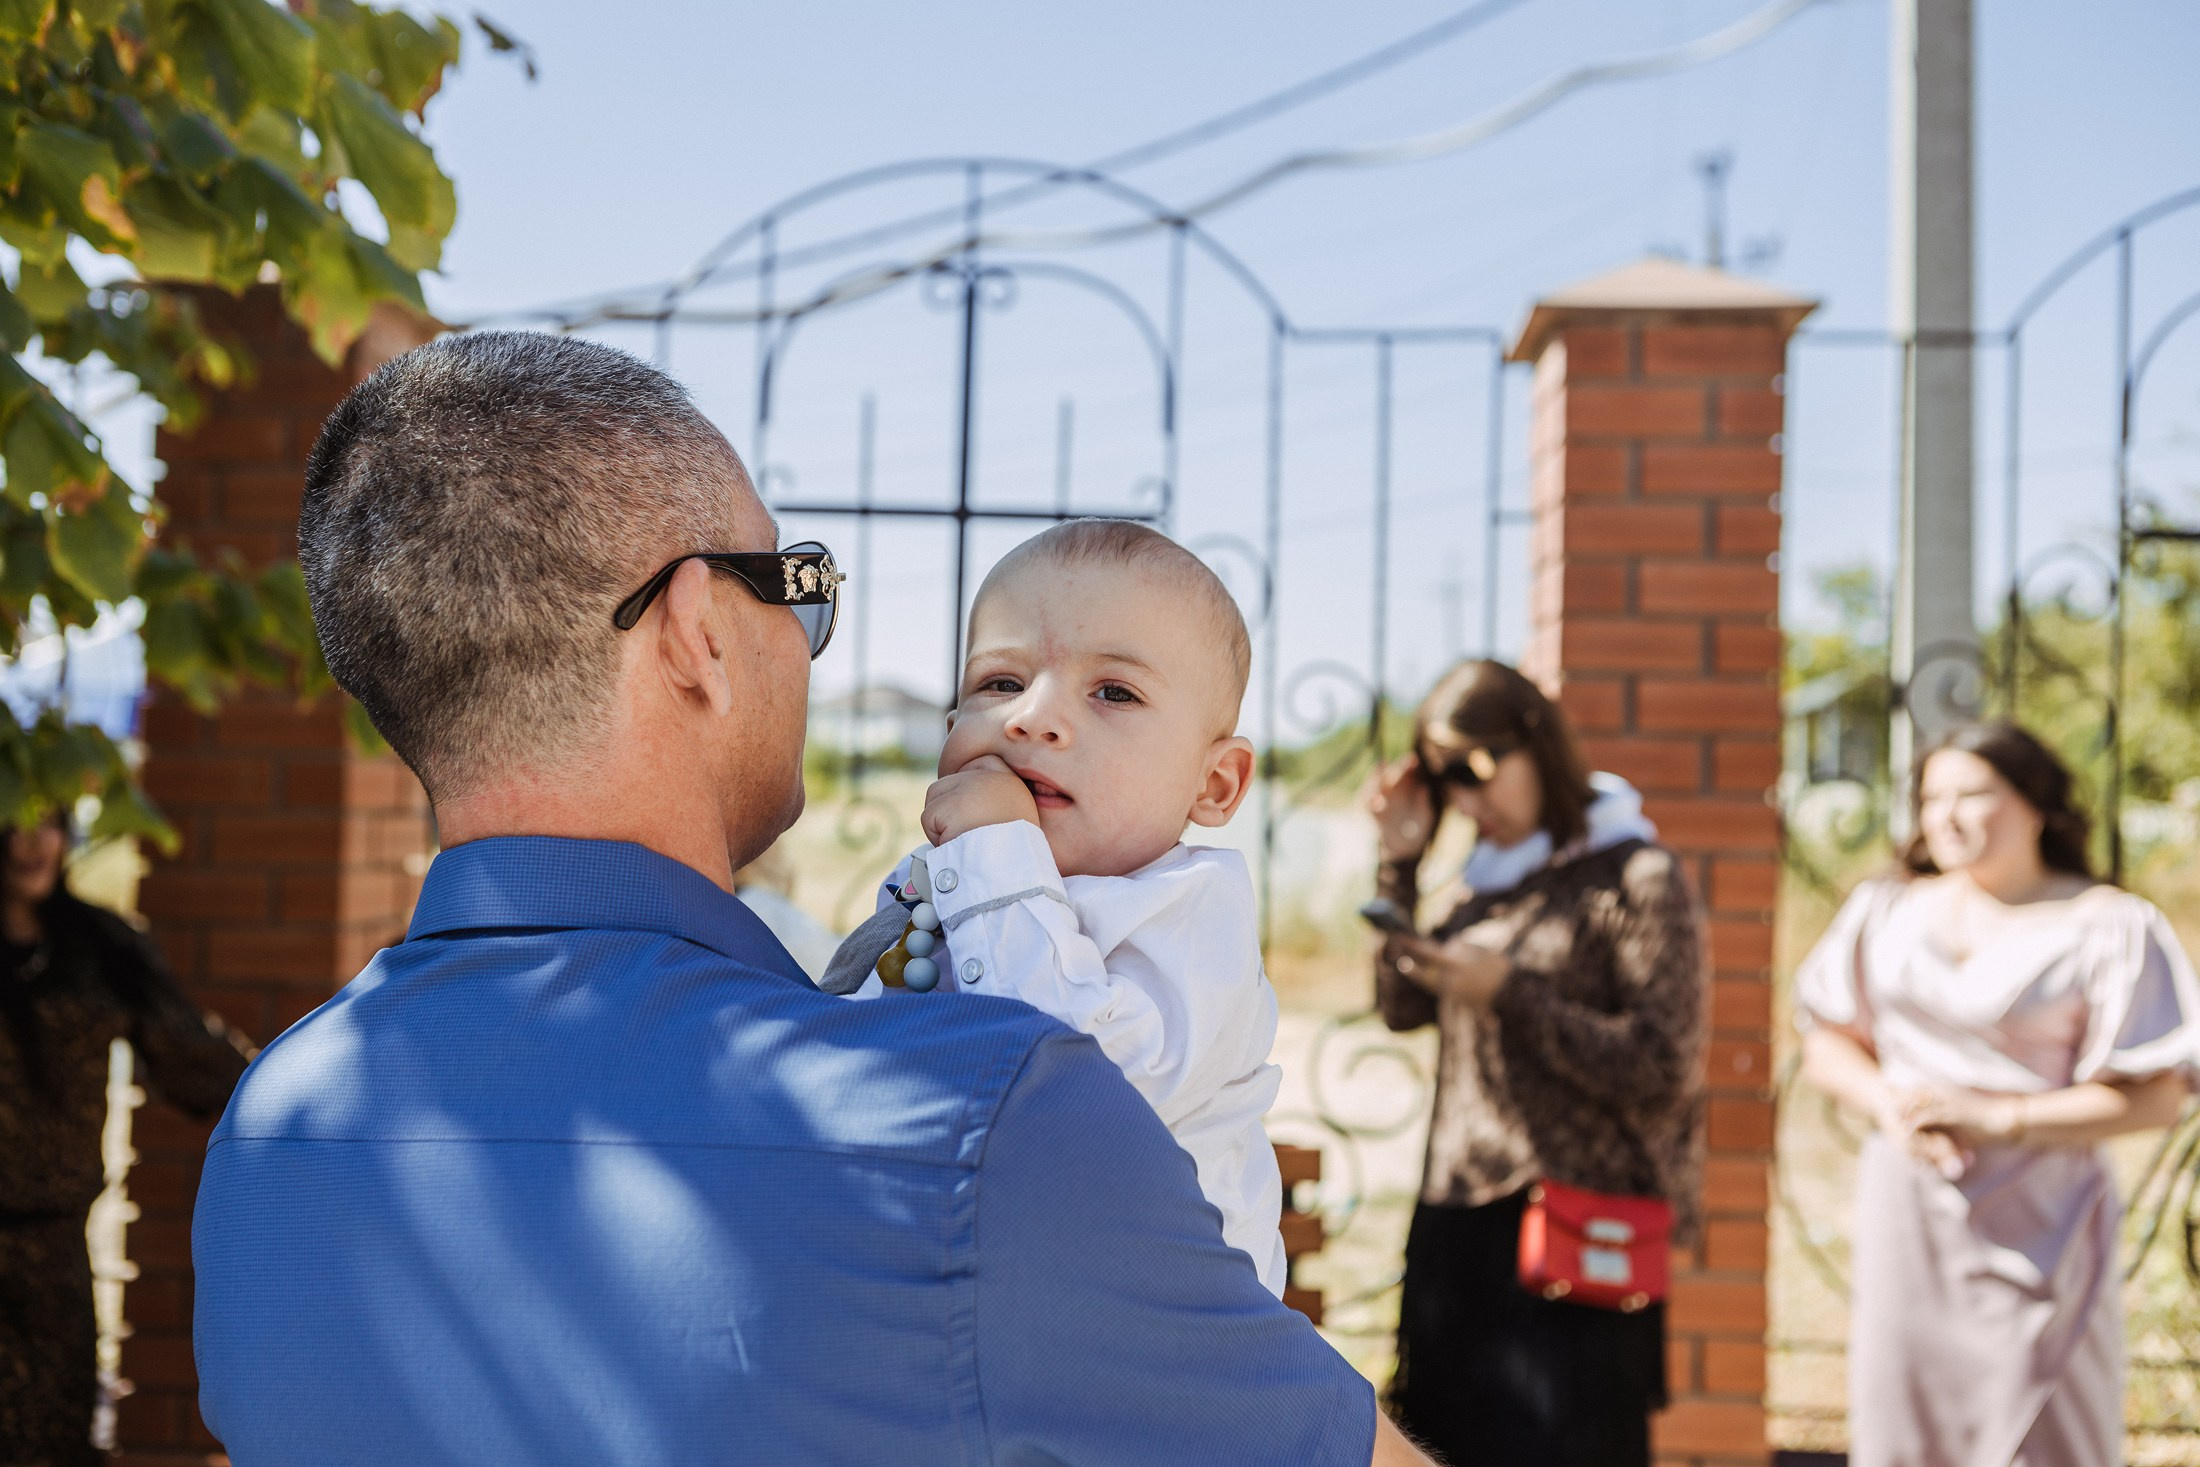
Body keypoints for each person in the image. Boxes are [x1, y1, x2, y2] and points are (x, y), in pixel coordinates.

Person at [190, 332, 1433, 1467]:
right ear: (695, 632)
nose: (810, 638)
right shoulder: (984, 1126)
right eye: (794, 584)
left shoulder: (268, 1136)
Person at [832, 518, 1285, 1294]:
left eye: (1114, 692)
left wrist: (996, 851)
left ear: (1214, 785)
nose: (1030, 716)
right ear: (952, 728)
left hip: (1154, 1336)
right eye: (1000, 683)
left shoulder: (1195, 910)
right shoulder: (953, 878)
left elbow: (1085, 1100)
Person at [1796, 722, 2199, 1467]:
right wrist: (1888, 1103)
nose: (1946, 817)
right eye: (1931, 798)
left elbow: (2157, 1098)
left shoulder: (2109, 922)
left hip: (2042, 1213)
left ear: (2037, 804)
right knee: (1904, 1422)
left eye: (1973, 795)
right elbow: (1826, 1041)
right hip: (1910, 1208)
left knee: (2041, 1430)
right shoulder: (1885, 908)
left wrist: (1998, 1118)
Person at [1365, 658, 1708, 1467]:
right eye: (1445, 778)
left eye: (1475, 767)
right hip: (1460, 1221)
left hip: (1578, 1229)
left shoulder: (1635, 874)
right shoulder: (1477, 887)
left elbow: (1664, 1064)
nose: (1466, 798)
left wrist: (1509, 992)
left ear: (1535, 742)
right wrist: (1400, 863)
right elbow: (1400, 1006)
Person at [0, 815, 249, 1467]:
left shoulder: (99, 947)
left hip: (53, 1261)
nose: (34, 842)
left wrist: (298, 1090)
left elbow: (194, 1059)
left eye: (49, 823)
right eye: (14, 824)